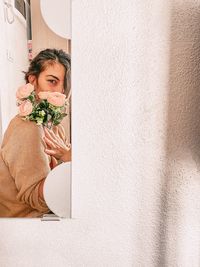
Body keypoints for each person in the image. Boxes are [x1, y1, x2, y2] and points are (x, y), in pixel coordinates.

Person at [0, 48, 71, 218]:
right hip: (25, 228)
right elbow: (37, 199)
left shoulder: (55, 128)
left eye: (65, 85)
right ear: (32, 80)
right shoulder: (28, 127)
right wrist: (72, 161)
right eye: (52, 81)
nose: (60, 91)